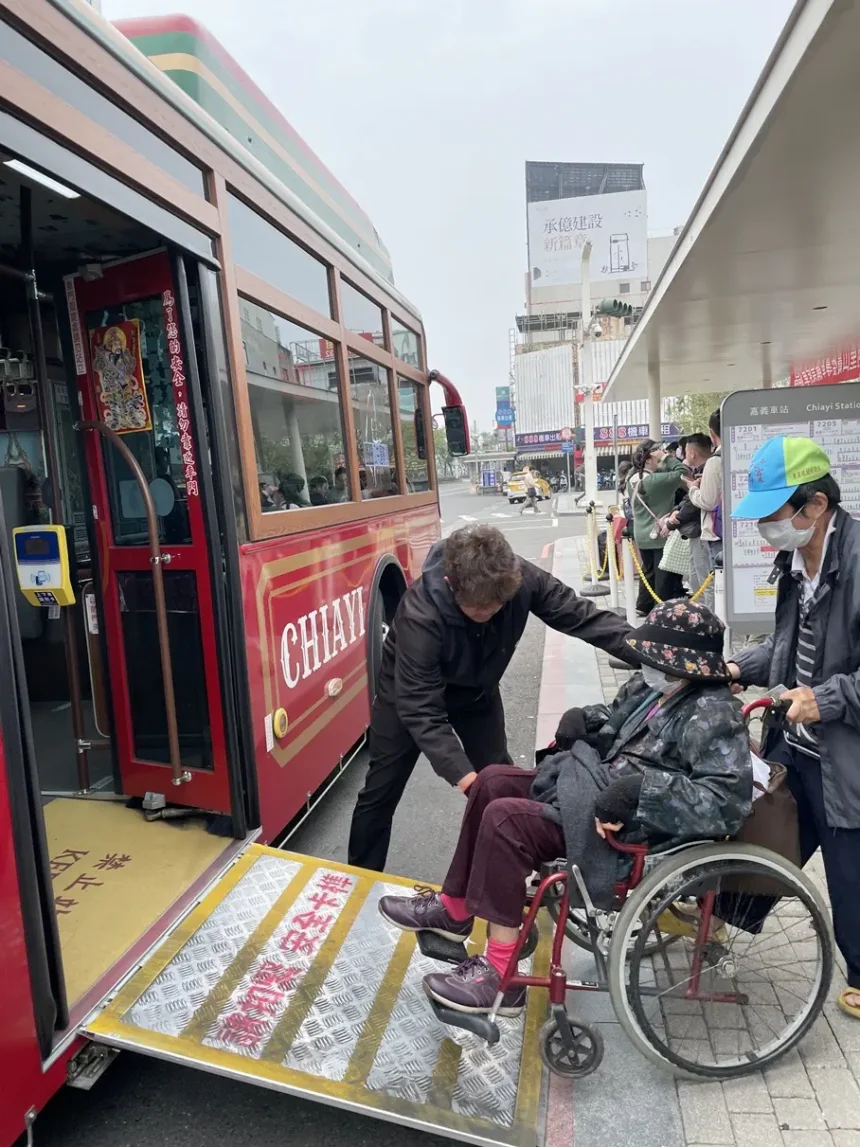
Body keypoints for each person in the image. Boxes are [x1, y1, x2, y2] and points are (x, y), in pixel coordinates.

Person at [379, 599, 751, 1015]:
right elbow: (614, 720)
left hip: (626, 827)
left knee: (507, 822)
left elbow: (725, 802)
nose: (647, 664)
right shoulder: (655, 688)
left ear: (685, 664)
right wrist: (582, 720)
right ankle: (455, 910)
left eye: (657, 658)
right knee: (492, 781)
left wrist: (640, 792)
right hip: (596, 786)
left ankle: (501, 976)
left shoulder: (714, 712)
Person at [347, 524, 638, 871]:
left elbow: (583, 617)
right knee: (380, 791)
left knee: (501, 776)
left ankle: (515, 869)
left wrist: (655, 652)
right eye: (482, 610)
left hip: (476, 693)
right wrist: (466, 779)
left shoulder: (518, 577)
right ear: (454, 587)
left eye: (500, 605)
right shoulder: (419, 615)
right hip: (408, 697)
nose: (494, 613)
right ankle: (358, 876)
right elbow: (421, 711)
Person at [727, 435, 860, 1021]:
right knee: (767, 844)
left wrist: (825, 699)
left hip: (843, 755)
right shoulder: (796, 562)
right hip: (795, 745)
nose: (764, 528)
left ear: (815, 507)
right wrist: (735, 668)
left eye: (772, 514)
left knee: (849, 874)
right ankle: (723, 921)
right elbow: (787, 647)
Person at [626, 439, 687, 614]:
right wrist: (667, 457)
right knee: (663, 575)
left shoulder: (633, 478)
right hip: (660, 533)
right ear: (648, 458)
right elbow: (682, 470)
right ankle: (661, 610)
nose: (660, 453)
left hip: (642, 533)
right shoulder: (656, 481)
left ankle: (643, 605)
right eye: (656, 451)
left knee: (649, 571)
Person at [668, 433, 714, 605]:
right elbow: (688, 500)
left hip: (704, 531)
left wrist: (674, 519)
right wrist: (676, 510)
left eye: (685, 450)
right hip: (698, 531)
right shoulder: (701, 471)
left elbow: (696, 503)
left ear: (692, 453)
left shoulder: (708, 470)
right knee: (696, 579)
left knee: (705, 581)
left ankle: (711, 620)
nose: (683, 454)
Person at [685, 409, 723, 608]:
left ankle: (714, 625)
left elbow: (708, 501)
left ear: (712, 433)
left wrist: (693, 490)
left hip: (717, 534)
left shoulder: (714, 462)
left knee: (714, 585)